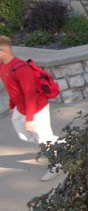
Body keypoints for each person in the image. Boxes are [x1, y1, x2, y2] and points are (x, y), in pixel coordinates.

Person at [0, 35, 61, 180]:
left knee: (43, 139)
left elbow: (30, 94)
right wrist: (12, 107)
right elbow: (11, 89)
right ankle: (61, 143)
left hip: (36, 109)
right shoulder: (3, 66)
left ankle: (57, 165)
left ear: (4, 50)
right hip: (20, 109)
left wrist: (30, 118)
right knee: (26, 135)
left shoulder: (21, 68)